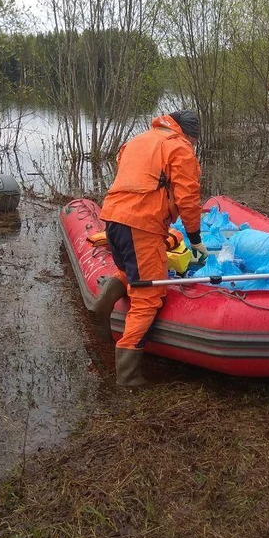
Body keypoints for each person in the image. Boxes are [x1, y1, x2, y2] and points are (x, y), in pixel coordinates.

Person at [91, 111, 207, 386]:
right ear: (190, 135)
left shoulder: (140, 140)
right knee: (148, 296)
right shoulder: (179, 147)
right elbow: (188, 196)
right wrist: (195, 238)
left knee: (130, 271)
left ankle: (109, 294)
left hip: (113, 218)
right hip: (142, 225)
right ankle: (129, 377)